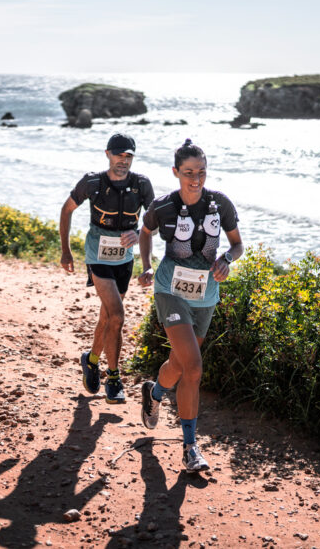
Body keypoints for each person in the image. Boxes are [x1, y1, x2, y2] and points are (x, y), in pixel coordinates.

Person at [137, 139, 243, 471]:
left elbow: (238, 245)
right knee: (194, 367)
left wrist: (226, 259)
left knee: (180, 366)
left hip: (206, 295)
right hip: (170, 290)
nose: (195, 179)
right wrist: (147, 265)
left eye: (201, 171)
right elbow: (145, 232)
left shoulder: (220, 203)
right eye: (188, 173)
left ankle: (154, 394)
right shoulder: (164, 206)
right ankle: (190, 448)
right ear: (176, 173)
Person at [60, 133, 155, 404]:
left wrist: (138, 233)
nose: (123, 161)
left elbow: (155, 221)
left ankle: (90, 360)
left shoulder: (141, 184)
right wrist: (66, 250)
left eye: (128, 156)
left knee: (108, 318)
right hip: (97, 256)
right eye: (119, 155)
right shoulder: (92, 182)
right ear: (107, 154)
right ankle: (113, 379)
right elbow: (66, 210)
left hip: (124, 260)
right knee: (117, 315)